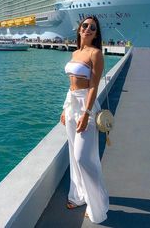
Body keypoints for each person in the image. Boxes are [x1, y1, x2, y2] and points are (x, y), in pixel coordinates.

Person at [60, 16, 109, 223]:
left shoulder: (96, 54)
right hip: (72, 105)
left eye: (93, 28)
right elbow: (71, 85)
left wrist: (86, 114)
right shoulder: (75, 52)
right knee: (73, 154)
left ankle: (97, 204)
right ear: (79, 29)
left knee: (83, 158)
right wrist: (65, 108)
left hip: (85, 107)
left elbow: (93, 87)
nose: (88, 29)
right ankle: (78, 196)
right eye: (85, 26)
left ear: (96, 34)